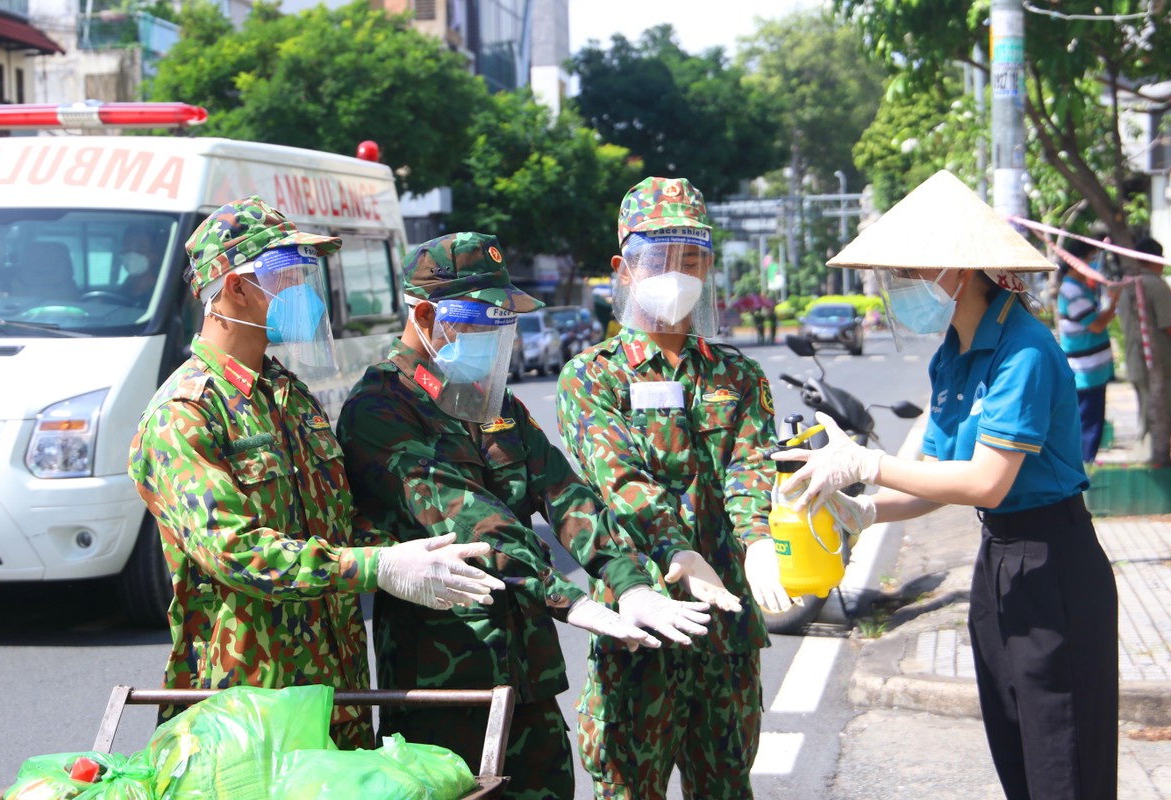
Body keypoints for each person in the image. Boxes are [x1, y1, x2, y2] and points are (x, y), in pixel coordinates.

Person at [337, 231, 731, 800]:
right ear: (425, 315)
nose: (495, 335)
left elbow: (566, 495)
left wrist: (628, 582)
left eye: (503, 320)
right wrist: (573, 600)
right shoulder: (380, 408)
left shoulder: (493, 403)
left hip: (529, 676)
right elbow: (475, 522)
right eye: (479, 319)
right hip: (447, 683)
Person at [776, 170, 1118, 800]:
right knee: (1016, 753)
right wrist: (866, 511)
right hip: (999, 562)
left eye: (909, 272)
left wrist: (867, 465)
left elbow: (987, 481)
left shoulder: (1025, 352)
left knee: (1062, 765)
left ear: (960, 271)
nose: (898, 288)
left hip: (1054, 564)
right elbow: (938, 480)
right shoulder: (951, 354)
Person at [128, 197, 506, 750]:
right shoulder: (185, 413)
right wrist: (374, 566)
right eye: (289, 275)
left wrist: (417, 555)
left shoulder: (289, 395)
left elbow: (336, 519)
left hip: (338, 692)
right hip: (253, 704)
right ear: (234, 287)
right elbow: (235, 552)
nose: (304, 291)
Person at [556, 176, 787, 800]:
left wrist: (757, 537)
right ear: (624, 269)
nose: (677, 274)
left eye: (692, 260)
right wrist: (677, 553)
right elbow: (620, 479)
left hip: (725, 628)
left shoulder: (737, 373)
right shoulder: (591, 377)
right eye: (660, 259)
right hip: (643, 626)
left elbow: (748, 466)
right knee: (630, 789)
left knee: (727, 787)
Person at [1056, 237, 1120, 463]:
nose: (1095, 264)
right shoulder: (1072, 291)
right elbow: (1096, 325)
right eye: (1092, 259)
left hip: (1092, 370)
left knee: (1091, 423)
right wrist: (1114, 303)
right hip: (1085, 371)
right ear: (1078, 262)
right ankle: (1084, 471)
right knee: (1087, 426)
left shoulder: (1081, 288)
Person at [1117, 236, 1171, 465]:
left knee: (1147, 414)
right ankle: (1152, 463)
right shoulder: (1156, 285)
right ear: (1156, 259)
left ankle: (1149, 459)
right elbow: (1168, 325)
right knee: (1159, 417)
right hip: (1158, 364)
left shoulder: (1127, 284)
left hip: (1136, 360)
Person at [117, 223, 160, 302]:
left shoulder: (163, 294)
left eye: (140, 248)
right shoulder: (122, 291)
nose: (132, 255)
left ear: (154, 257)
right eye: (127, 247)